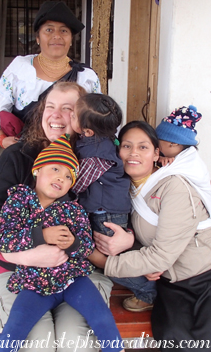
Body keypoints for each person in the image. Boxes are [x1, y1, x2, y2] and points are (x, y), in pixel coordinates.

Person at [90, 117, 211, 352]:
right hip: (173, 281)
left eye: (143, 147)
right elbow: (153, 236)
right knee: (171, 337)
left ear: (156, 153)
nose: (133, 153)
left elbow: (160, 255)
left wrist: (102, 261)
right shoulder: (122, 188)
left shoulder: (173, 186)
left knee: (206, 346)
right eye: (126, 146)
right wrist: (130, 239)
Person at [0, 82, 113, 352]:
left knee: (76, 343)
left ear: (84, 119)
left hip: (78, 273)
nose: (55, 115)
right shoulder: (18, 157)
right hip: (19, 272)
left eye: (67, 109)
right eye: (50, 107)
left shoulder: (100, 160)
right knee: (38, 343)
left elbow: (124, 210)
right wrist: (23, 255)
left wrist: (124, 241)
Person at [0, 134, 123, 352]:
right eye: (55, 169)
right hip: (34, 281)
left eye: (68, 176)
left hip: (73, 279)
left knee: (102, 319)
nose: (61, 178)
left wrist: (73, 244)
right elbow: (5, 239)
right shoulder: (18, 200)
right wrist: (42, 235)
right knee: (15, 329)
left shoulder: (73, 209)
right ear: (37, 170)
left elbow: (85, 247)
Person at [70, 93, 156, 312]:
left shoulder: (97, 153)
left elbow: (78, 184)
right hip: (103, 209)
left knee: (111, 258)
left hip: (105, 214)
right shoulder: (97, 142)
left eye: (72, 113)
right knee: (104, 255)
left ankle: (148, 291)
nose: (68, 116)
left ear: (87, 130)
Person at [0, 1, 101, 149]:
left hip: (71, 153)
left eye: (64, 31)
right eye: (49, 30)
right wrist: (1, 138)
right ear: (37, 38)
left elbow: (97, 118)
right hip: (25, 150)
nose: (57, 36)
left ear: (70, 40)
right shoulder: (20, 69)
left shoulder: (86, 77)